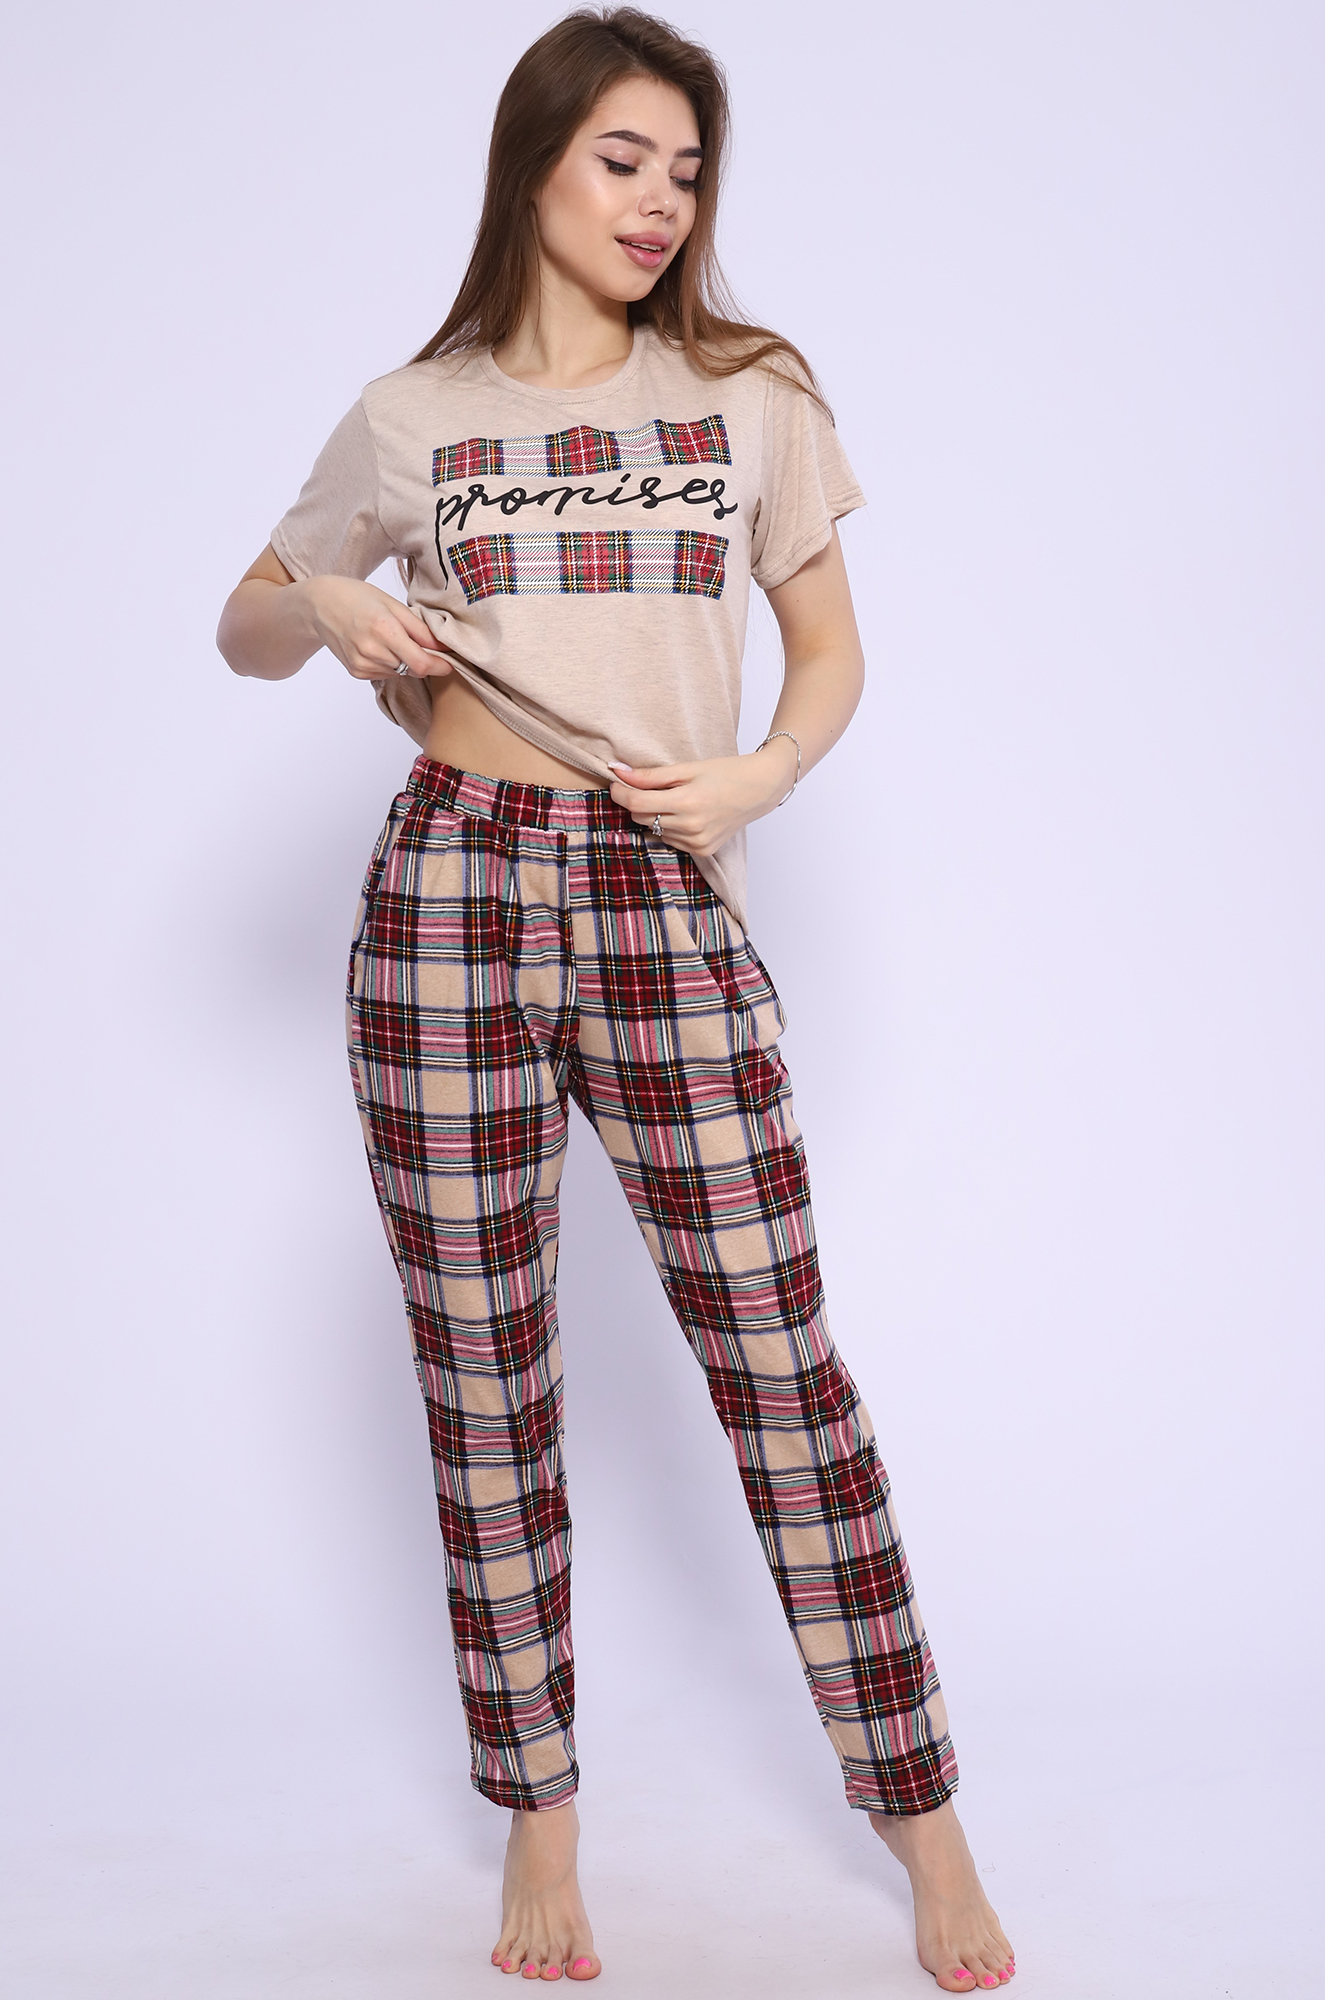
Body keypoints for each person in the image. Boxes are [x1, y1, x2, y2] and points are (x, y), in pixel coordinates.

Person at [216, 8, 1015, 1988]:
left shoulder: (748, 394)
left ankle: (922, 1819)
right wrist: (326, 601)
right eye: (623, 159)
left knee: (781, 1368)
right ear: (534, 165)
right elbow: (242, 622)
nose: (661, 202)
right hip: (449, 888)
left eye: (686, 170)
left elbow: (826, 651)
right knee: (483, 1374)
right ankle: (540, 1816)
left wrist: (761, 777)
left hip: (664, 891)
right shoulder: (411, 415)